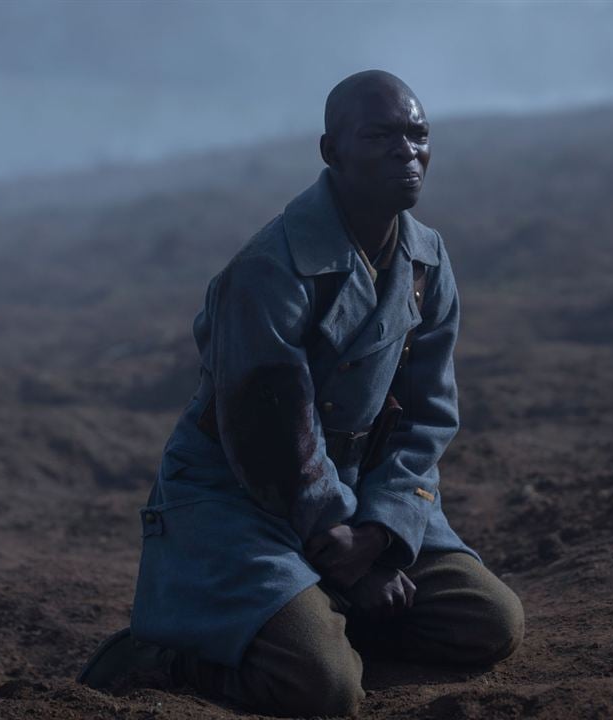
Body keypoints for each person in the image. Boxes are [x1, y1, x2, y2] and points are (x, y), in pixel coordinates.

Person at [78, 70, 524, 717]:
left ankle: (316, 617)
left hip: (361, 498)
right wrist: (352, 556)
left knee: (488, 622)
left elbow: (428, 417)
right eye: (380, 135)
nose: (407, 150)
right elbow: (267, 444)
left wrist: (381, 529)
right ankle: (163, 658)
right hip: (245, 498)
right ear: (331, 152)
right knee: (325, 692)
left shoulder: (427, 261)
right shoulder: (269, 269)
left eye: (418, 133)